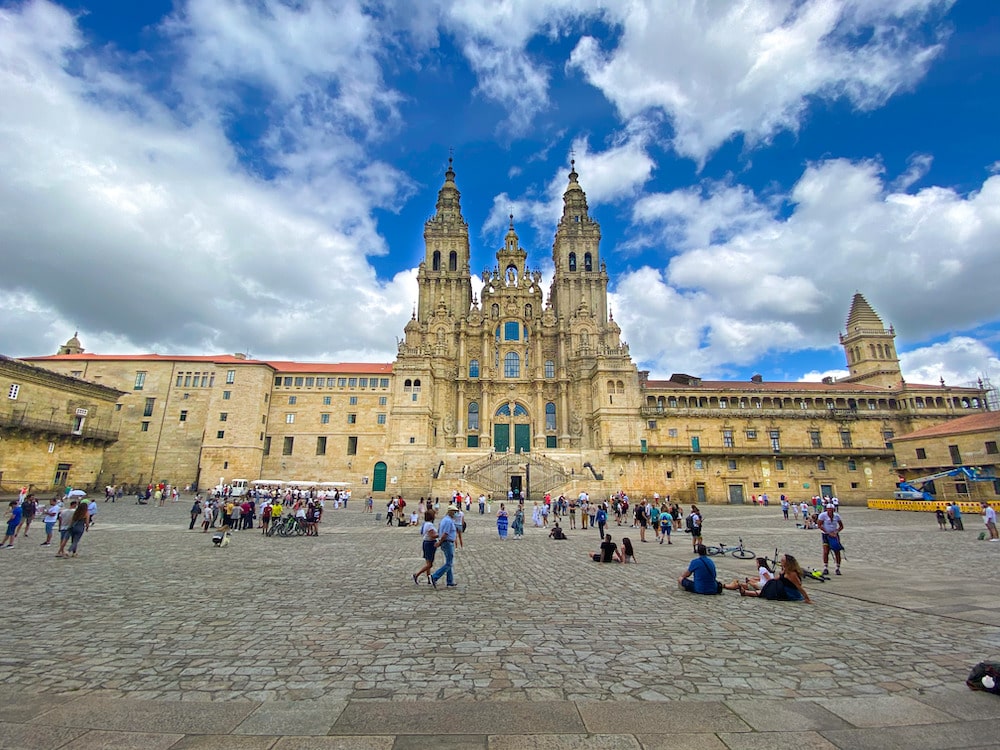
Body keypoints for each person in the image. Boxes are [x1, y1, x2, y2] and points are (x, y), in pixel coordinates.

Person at [740, 554, 812, 603]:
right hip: (782, 588)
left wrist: (807, 598)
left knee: (769, 590)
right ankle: (746, 592)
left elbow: (799, 586)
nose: (781, 561)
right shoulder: (784, 570)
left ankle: (746, 592)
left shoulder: (791, 574)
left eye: (782, 561)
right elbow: (776, 578)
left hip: (789, 592)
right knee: (770, 586)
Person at [430, 504, 460, 588]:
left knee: (448, 561)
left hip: (446, 542)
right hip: (447, 542)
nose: (456, 514)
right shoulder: (448, 521)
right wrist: (439, 542)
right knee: (449, 563)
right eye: (455, 512)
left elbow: (439, 531)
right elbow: (445, 534)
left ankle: (450, 581)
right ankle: (435, 576)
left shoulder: (444, 520)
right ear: (451, 512)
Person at [818, 505, 845, 576]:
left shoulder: (837, 516)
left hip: (835, 535)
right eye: (829, 510)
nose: (830, 511)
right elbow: (819, 525)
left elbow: (841, 526)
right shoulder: (822, 515)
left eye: (831, 510)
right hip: (825, 535)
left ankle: (837, 568)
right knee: (826, 551)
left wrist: (836, 532)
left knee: (837, 550)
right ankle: (825, 567)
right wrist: (828, 532)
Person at [412, 510, 438, 584]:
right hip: (430, 543)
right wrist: (441, 534)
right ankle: (417, 574)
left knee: (428, 563)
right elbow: (432, 535)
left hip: (426, 543)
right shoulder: (429, 525)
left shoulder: (425, 524)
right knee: (430, 564)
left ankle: (429, 578)